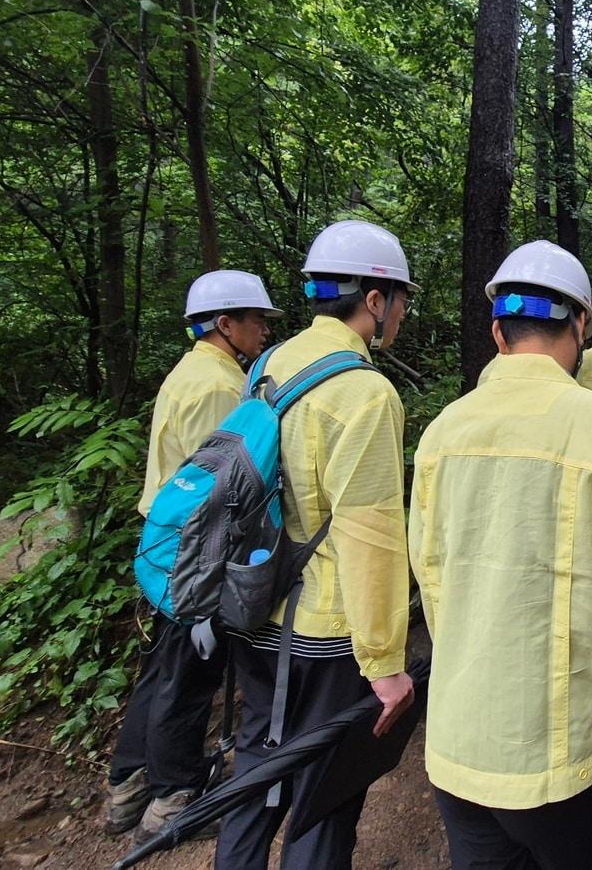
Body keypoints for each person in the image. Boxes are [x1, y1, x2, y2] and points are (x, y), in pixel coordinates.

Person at [410, 240, 592, 870]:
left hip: (460, 741)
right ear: (581, 325)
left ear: (497, 331)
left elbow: (431, 576)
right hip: (562, 755)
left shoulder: (442, 432)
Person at [214, 220, 417, 870]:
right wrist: (385, 663)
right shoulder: (365, 392)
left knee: (254, 776)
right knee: (324, 797)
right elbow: (370, 534)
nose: (402, 313)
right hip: (327, 638)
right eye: (402, 300)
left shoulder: (267, 367)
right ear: (377, 300)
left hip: (253, 608)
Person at [105, 270, 279, 842]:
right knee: (187, 678)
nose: (262, 331)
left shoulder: (193, 372)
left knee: (161, 671)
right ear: (224, 324)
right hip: (192, 555)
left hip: (165, 547)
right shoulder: (218, 389)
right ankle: (172, 798)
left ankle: (127, 784)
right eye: (255, 320)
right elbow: (227, 487)